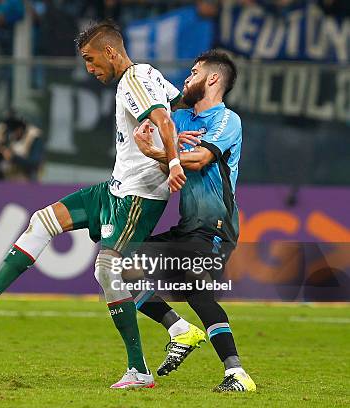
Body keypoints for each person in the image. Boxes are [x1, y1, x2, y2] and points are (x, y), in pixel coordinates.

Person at [0, 20, 187, 389]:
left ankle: (139, 370)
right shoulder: (147, 75)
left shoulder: (134, 80)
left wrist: (176, 161)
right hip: (116, 188)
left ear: (111, 52)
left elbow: (163, 117)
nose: (89, 68)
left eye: (90, 59)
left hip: (139, 195)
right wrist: (191, 108)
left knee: (108, 271)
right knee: (44, 220)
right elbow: (176, 104)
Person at [131, 50, 256, 392]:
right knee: (116, 267)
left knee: (197, 287)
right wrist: (154, 145)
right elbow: (168, 162)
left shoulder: (227, 120)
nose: (187, 78)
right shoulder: (181, 119)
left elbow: (199, 159)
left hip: (216, 227)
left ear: (213, 78)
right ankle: (179, 330)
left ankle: (237, 374)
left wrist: (157, 152)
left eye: (194, 71)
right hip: (188, 227)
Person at [0, 113, 44, 181]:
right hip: (4, 180)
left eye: (14, 130)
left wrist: (13, 157)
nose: (12, 134)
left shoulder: (34, 136)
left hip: (25, 180)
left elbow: (34, 163)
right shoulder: (3, 131)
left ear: (21, 128)